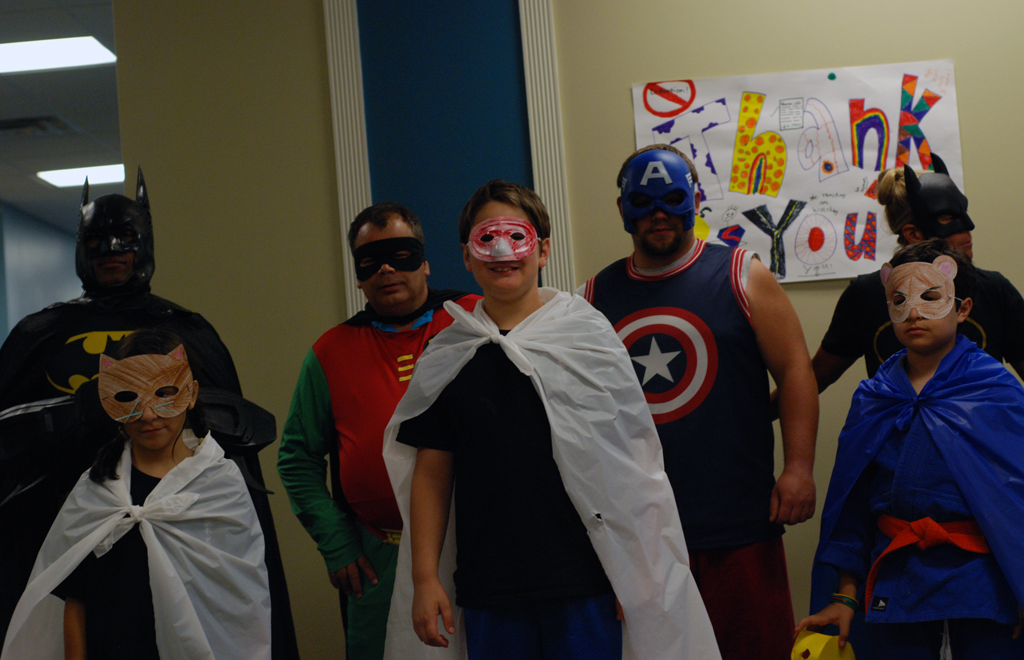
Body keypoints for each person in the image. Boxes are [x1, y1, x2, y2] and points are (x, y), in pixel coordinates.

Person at [382, 180, 720, 660]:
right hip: (490, 586)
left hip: (584, 580)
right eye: (487, 238)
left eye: (516, 237)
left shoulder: (587, 340)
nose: (503, 251)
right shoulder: (450, 355)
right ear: (466, 256)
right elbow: (432, 472)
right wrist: (424, 578)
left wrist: (639, 572)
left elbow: (632, 466)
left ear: (542, 251)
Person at [0, 169, 298, 659]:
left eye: (125, 238)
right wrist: (76, 414)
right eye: (96, 240)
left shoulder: (185, 330)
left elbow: (230, 427)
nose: (111, 250)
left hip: (179, 514)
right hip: (70, 521)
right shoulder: (40, 333)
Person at [581, 145, 819, 660]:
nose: (658, 214)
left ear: (694, 199)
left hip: (739, 516)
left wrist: (799, 467)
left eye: (672, 199)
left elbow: (795, 370)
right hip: (642, 531)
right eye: (643, 201)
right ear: (622, 208)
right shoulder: (592, 297)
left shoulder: (743, 273)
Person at [796, 240, 1024, 659]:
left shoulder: (997, 390)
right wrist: (845, 595)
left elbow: (1016, 499)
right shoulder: (874, 396)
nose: (913, 312)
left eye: (930, 297)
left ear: (963, 308)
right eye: (899, 300)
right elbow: (853, 503)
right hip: (897, 571)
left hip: (983, 577)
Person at [277, 202, 478, 659]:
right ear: (358, 275)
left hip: (475, 546)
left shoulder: (473, 320)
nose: (387, 269)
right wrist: (337, 543)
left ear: (425, 262)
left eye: (400, 254)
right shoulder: (330, 351)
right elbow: (296, 458)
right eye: (371, 260)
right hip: (378, 557)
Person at [1, 330, 271, 660]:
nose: (148, 415)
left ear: (190, 393)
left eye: (164, 393)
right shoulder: (97, 488)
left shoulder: (218, 486)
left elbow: (239, 604)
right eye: (129, 396)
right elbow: (75, 599)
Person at [813, 154, 1024, 389]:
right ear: (913, 233)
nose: (968, 229)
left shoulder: (994, 291)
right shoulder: (865, 295)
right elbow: (814, 378)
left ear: (963, 308)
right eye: (949, 218)